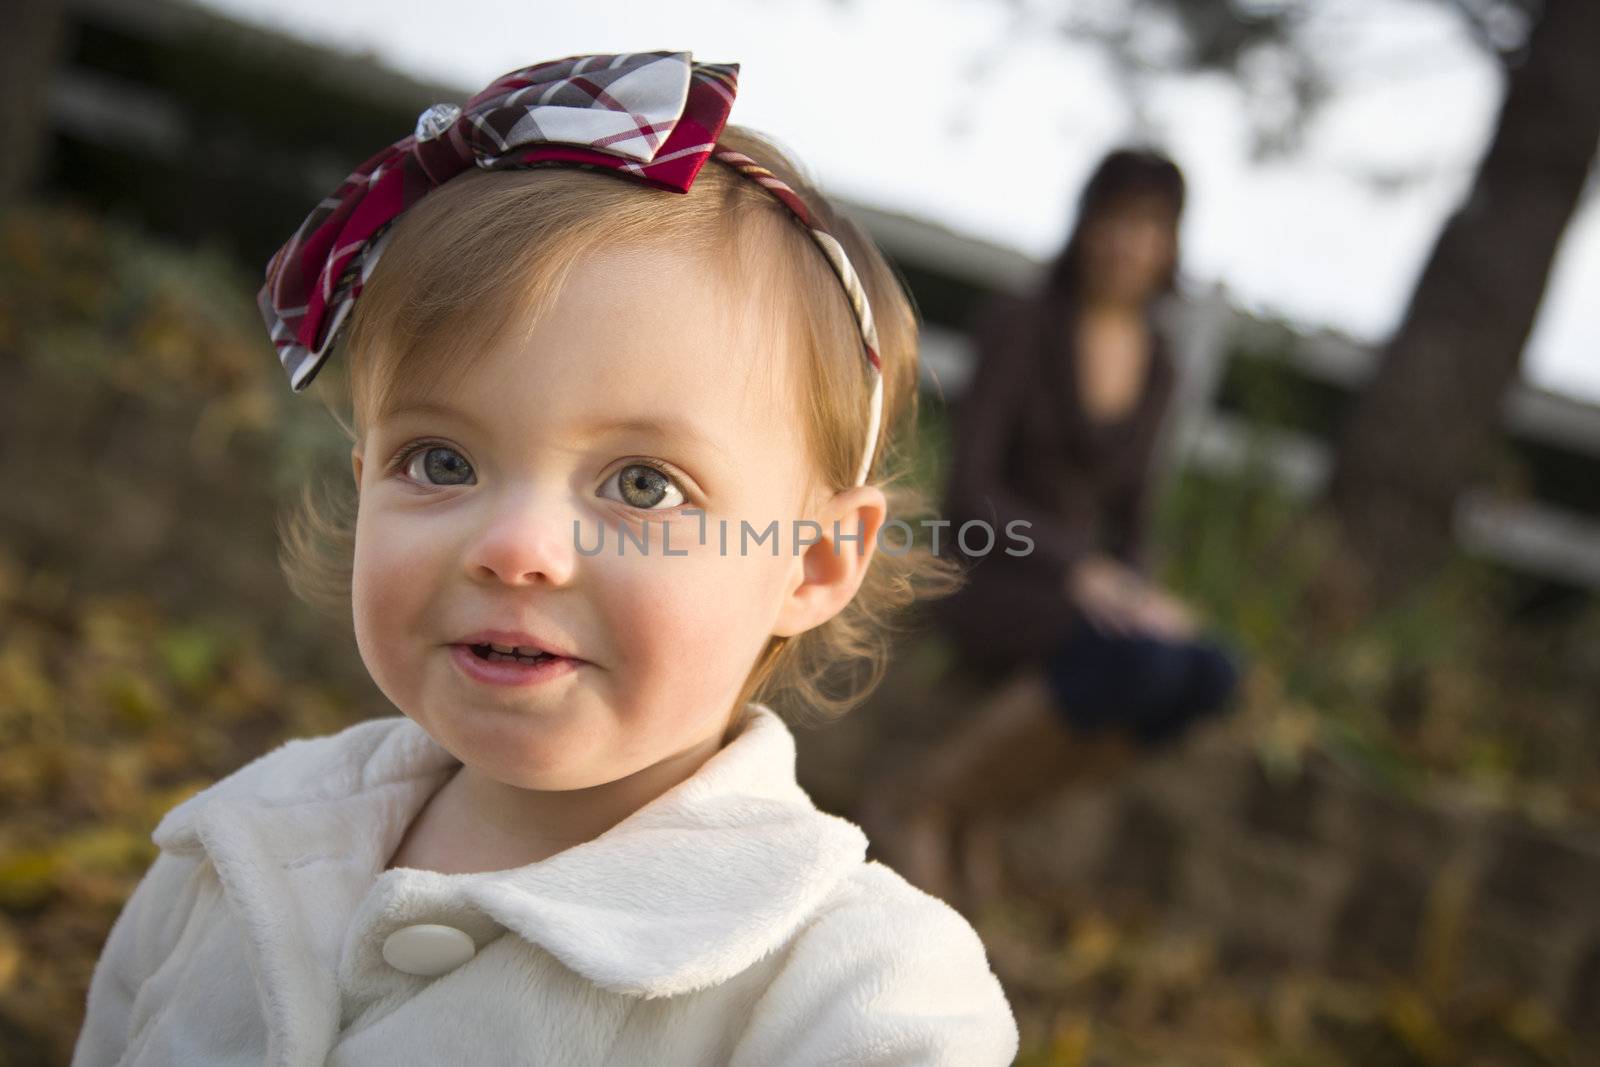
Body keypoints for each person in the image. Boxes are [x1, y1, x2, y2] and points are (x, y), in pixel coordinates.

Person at [71, 52, 1017, 1066]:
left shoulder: (851, 994)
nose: (515, 547)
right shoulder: (235, 844)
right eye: (440, 460)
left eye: (644, 483)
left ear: (816, 561)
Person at [862, 148, 1244, 908]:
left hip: (1082, 591)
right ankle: (918, 802)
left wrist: (1139, 595)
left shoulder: (1161, 363)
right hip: (989, 567)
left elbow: (1132, 515)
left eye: (1148, 225)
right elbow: (971, 488)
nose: (1127, 241)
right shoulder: (1023, 320)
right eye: (1114, 218)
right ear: (1086, 223)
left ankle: (979, 813)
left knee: (1205, 674)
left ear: (1169, 243)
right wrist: (1076, 567)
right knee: (1127, 661)